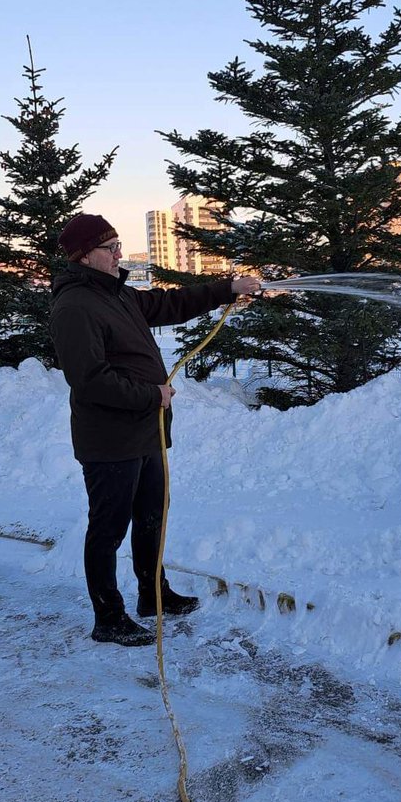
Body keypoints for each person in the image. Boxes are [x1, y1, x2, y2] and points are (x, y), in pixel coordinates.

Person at [50, 213, 260, 647]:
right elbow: (89, 379)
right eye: (110, 248)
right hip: (110, 439)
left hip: (145, 432)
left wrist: (227, 289)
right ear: (85, 255)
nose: (119, 254)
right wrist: (152, 395)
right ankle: (108, 617)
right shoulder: (75, 306)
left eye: (117, 245)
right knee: (107, 529)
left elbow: (169, 305)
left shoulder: (117, 294)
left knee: (152, 518)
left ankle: (154, 595)